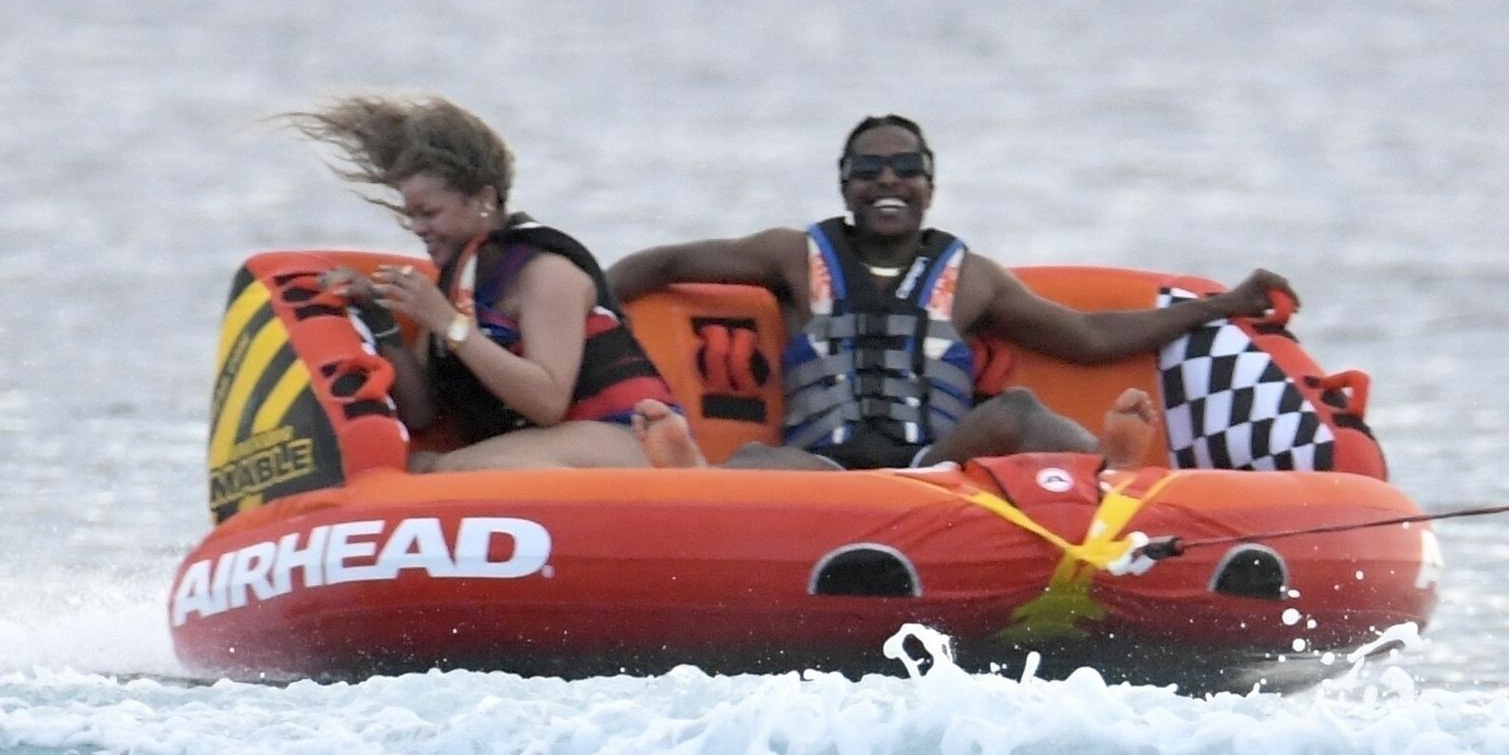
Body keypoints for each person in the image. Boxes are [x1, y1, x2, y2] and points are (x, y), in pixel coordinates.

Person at [606, 114, 1296, 471]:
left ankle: (1106, 469)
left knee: (1018, 410)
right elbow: (664, 262)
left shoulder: (972, 278)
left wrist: (1220, 305)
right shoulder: (792, 255)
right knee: (755, 459)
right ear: (845, 185)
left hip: (931, 465)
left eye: (905, 167)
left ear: (929, 186)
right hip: (818, 465)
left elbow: (1087, 338)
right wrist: (592, 310)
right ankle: (695, 483)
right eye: (869, 169)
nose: (887, 180)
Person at [294, 95, 678, 472]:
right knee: (412, 467)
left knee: (436, 470)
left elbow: (548, 402)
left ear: (484, 200)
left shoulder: (545, 274)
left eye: (429, 213)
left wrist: (448, 324)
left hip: (630, 435)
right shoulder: (458, 286)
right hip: (551, 449)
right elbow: (422, 413)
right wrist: (378, 316)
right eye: (411, 216)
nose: (418, 228)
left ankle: (683, 464)